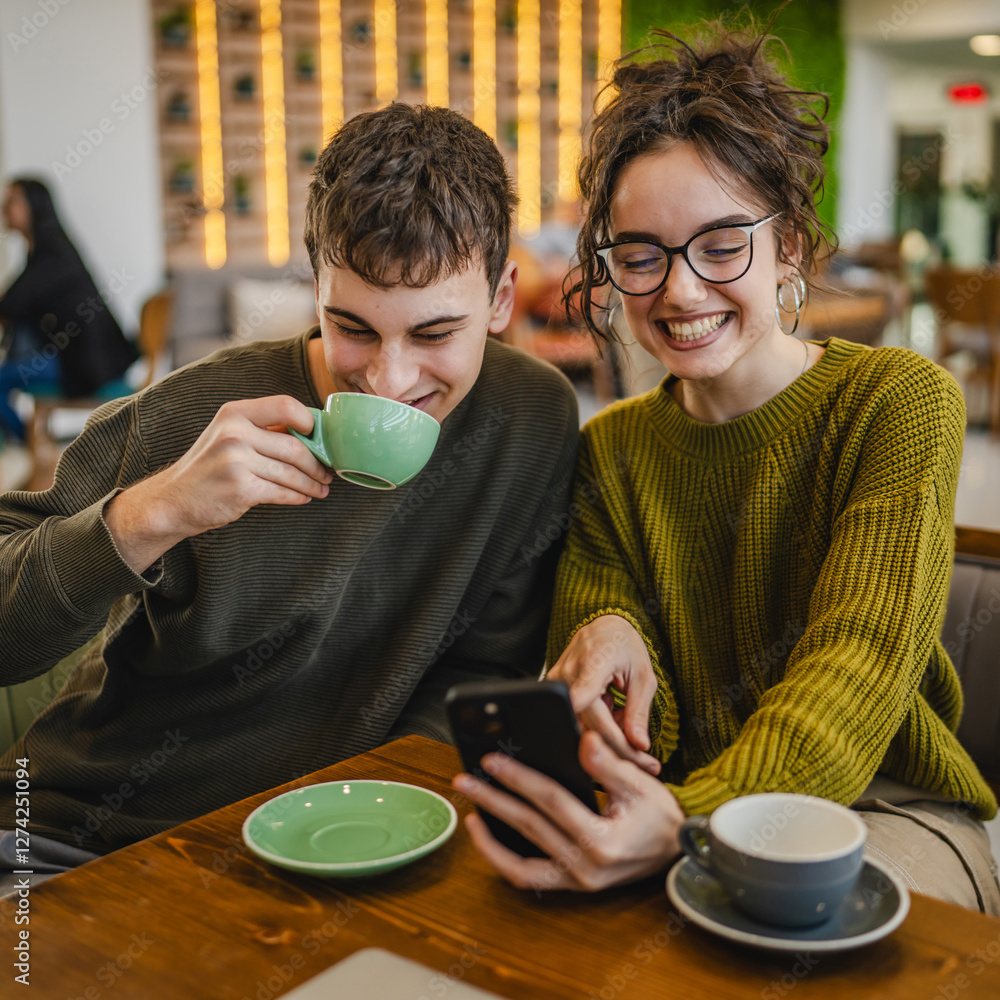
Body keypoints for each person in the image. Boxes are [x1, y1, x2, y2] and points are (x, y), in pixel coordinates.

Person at [453, 20, 1000, 914]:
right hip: (679, 812)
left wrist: (688, 821)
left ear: (788, 246)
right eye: (641, 255)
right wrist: (616, 646)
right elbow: (613, 667)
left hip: (885, 809)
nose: (679, 290)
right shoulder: (612, 449)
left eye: (720, 245)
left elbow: (856, 665)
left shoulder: (899, 404)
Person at [0, 103, 579, 890]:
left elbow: (478, 673)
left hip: (343, 847)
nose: (390, 380)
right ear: (315, 289)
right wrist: (154, 512)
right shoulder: (190, 416)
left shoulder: (530, 420)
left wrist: (382, 818)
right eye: (354, 328)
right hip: (80, 840)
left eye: (435, 334)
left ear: (503, 298)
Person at [0, 177, 137, 443]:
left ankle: (34, 448)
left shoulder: (51, 255)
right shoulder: (49, 249)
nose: (5, 205)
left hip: (86, 366)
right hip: (82, 359)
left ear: (35, 206)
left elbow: (10, 305)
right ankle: (34, 448)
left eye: (13, 199)